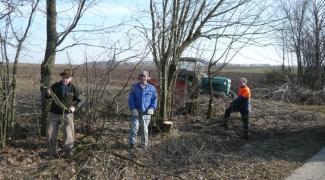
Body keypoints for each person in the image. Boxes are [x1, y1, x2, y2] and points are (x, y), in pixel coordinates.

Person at [44, 68, 83, 157]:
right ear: (61, 77)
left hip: (67, 113)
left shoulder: (74, 88)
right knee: (50, 132)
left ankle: (69, 153)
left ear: (71, 78)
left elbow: (81, 100)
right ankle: (52, 152)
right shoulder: (55, 86)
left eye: (67, 78)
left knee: (68, 133)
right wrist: (47, 93)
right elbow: (47, 97)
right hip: (54, 112)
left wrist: (74, 107)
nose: (65, 79)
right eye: (63, 77)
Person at [128, 71, 157, 149]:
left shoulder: (152, 88)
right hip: (136, 111)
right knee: (134, 128)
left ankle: (144, 145)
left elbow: (154, 99)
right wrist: (133, 108)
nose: (143, 78)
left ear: (148, 78)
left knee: (144, 129)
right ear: (139, 77)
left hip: (146, 112)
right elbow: (131, 99)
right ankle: (131, 143)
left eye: (145, 76)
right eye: (141, 76)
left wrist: (152, 108)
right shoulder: (134, 87)